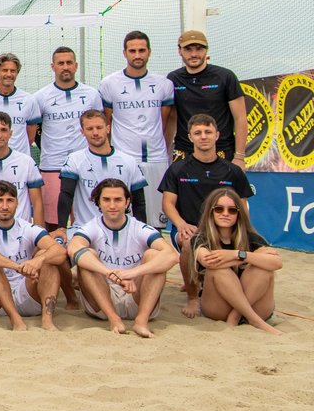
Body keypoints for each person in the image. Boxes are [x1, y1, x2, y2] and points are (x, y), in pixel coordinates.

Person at [159, 113, 255, 319]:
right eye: (198, 132)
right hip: (190, 227)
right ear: (190, 137)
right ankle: (193, 297)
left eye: (208, 132)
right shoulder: (177, 169)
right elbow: (167, 204)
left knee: (255, 251)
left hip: (225, 231)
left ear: (217, 135)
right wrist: (180, 223)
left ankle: (238, 292)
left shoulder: (233, 171)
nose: (203, 136)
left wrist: (243, 232)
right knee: (188, 242)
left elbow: (243, 206)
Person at [69, 179, 178, 337]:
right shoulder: (91, 227)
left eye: (118, 200)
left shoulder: (139, 228)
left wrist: (132, 273)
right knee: (87, 258)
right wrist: (111, 274)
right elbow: (73, 248)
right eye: (106, 200)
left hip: (136, 293)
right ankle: (114, 319)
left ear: (127, 202)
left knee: (154, 256)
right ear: (97, 202)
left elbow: (172, 256)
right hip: (102, 300)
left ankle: (141, 321)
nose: (112, 205)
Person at [0, 180, 65, 331]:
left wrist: (38, 261)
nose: (5, 206)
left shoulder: (27, 227)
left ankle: (47, 319)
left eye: (10, 200)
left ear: (17, 203)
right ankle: (15, 320)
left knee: (48, 257)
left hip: (24, 292)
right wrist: (17, 267)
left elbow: (60, 251)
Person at [99, 30, 174, 228]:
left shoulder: (164, 84)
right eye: (132, 51)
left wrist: (162, 148)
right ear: (124, 53)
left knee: (157, 222)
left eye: (142, 50)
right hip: (125, 158)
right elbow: (108, 122)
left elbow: (165, 121)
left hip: (157, 159)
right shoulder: (109, 84)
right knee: (126, 219)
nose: (137, 55)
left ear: (149, 52)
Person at [192, 188, 281, 334]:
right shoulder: (201, 237)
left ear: (239, 213)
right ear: (210, 212)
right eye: (219, 209)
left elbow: (277, 263)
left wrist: (237, 255)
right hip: (219, 307)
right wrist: (246, 259)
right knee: (218, 269)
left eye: (232, 210)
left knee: (263, 269)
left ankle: (237, 315)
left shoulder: (251, 237)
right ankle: (255, 321)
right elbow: (209, 261)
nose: (225, 214)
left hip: (255, 305)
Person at [33, 46, 103, 227]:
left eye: (69, 63)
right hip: (53, 166)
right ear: (53, 66)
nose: (65, 67)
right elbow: (35, 131)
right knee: (54, 224)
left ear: (76, 65)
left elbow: (99, 128)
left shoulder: (91, 95)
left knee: (89, 222)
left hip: (86, 166)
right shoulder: (41, 97)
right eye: (61, 63)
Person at [167, 29, 247, 167]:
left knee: (222, 190)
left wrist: (239, 157)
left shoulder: (225, 76)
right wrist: (166, 152)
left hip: (221, 152)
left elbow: (240, 118)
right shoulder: (173, 79)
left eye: (199, 49)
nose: (194, 54)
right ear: (179, 51)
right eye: (188, 49)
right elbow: (171, 118)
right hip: (184, 153)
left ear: (207, 50)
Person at [59, 109, 149, 230]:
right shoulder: (74, 159)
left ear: (107, 128)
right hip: (84, 229)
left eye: (99, 127)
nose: (95, 133)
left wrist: (141, 230)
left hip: (123, 230)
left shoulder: (129, 161)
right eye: (90, 129)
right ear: (82, 132)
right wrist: (61, 228)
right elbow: (66, 195)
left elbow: (139, 202)